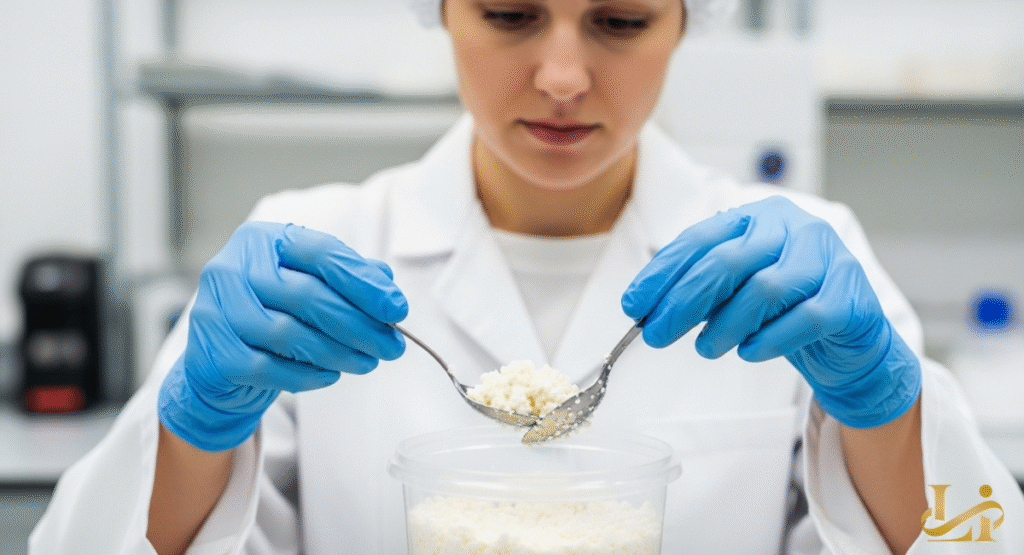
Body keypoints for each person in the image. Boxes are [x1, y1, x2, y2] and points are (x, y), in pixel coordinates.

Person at [31, 0, 1022, 553]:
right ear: (442, 12)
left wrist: (883, 410)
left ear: (687, 21)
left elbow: (973, 544)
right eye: (509, 14)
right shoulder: (309, 247)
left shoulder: (796, 260)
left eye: (620, 22)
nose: (560, 75)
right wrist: (195, 427)